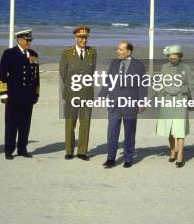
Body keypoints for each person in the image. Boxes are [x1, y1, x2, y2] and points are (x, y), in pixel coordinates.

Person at [99, 41, 146, 169]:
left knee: (129, 132)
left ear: (128, 52)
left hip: (130, 103)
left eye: (120, 49)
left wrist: (142, 101)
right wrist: (101, 96)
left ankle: (128, 159)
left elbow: (142, 85)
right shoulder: (114, 63)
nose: (117, 51)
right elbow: (108, 80)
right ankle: (110, 159)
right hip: (114, 103)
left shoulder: (139, 65)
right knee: (112, 131)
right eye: (118, 49)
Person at [0, 29, 40, 159]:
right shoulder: (9, 53)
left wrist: (36, 93)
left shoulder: (33, 54)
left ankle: (22, 149)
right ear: (19, 40)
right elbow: (1, 74)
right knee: (11, 124)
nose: (29, 43)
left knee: (25, 124)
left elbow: (36, 76)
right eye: (27, 40)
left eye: (30, 40)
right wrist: (3, 94)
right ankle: (9, 150)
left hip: (28, 95)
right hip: (13, 95)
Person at [59, 26, 97, 161]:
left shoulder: (92, 52)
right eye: (81, 37)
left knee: (85, 122)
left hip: (87, 93)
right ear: (76, 38)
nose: (84, 40)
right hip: (71, 93)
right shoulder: (67, 53)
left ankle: (82, 151)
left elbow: (92, 72)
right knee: (70, 122)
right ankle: (69, 151)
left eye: (86, 37)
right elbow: (63, 73)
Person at [156, 45, 193, 168]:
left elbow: (191, 85)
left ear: (180, 56)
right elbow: (160, 84)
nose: (172, 60)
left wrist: (180, 89)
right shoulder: (164, 67)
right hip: (167, 101)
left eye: (175, 57)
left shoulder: (186, 68)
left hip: (180, 101)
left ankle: (180, 155)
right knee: (170, 129)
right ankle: (172, 151)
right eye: (170, 58)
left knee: (180, 128)